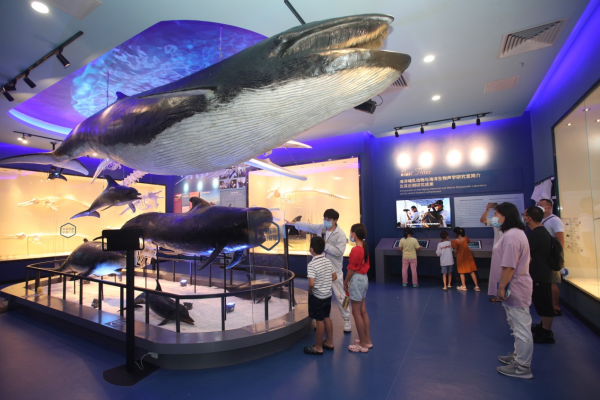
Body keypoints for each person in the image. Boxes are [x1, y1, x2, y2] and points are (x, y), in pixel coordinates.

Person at [288, 209, 352, 332]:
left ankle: (347, 319)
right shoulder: (321, 228)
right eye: (325, 219)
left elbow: (339, 252)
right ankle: (321, 320)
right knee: (320, 297)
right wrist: (294, 224)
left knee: (341, 296)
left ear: (335, 220)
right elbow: (309, 226)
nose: (326, 221)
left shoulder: (340, 234)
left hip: (334, 271)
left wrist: (325, 245)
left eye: (329, 220)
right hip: (320, 271)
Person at [491, 202, 534, 379]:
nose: (494, 218)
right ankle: (518, 356)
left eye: (496, 214)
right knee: (516, 325)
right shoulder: (514, 234)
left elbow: (509, 265)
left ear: (505, 216)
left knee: (521, 328)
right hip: (515, 286)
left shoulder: (512, 236)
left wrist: (502, 287)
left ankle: (523, 367)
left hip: (514, 287)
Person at [523, 206, 555, 344]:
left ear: (529, 218)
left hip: (540, 274)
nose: (523, 217)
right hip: (541, 272)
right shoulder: (540, 232)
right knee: (541, 302)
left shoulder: (537, 234)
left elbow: (525, 252)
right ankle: (543, 327)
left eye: (524, 215)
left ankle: (546, 333)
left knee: (544, 303)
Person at [304, 236, 337, 355]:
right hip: (328, 295)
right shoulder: (327, 261)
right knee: (327, 317)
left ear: (311, 249)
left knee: (319, 321)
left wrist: (309, 290)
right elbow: (334, 276)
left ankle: (318, 347)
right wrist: (325, 282)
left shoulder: (311, 264)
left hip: (317, 297)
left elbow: (311, 283)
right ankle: (329, 342)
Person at [344, 224, 372, 353]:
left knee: (356, 313)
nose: (350, 235)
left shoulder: (356, 250)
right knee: (363, 311)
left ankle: (362, 344)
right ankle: (367, 340)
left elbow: (351, 269)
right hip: (364, 279)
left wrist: (345, 282)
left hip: (356, 280)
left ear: (354, 234)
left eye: (351, 232)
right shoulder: (364, 248)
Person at [537, 198, 564, 316]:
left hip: (551, 256)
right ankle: (547, 305)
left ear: (549, 207)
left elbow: (560, 240)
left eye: (541, 205)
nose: (538, 206)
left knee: (552, 281)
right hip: (542, 256)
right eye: (538, 204)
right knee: (546, 282)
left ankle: (555, 306)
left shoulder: (555, 220)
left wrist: (558, 257)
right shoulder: (541, 220)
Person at [481, 202, 503, 302]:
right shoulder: (495, 222)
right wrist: (487, 210)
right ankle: (499, 294)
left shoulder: (512, 225)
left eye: (496, 213)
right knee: (498, 273)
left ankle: (505, 294)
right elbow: (483, 220)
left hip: (505, 251)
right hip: (497, 251)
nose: (494, 215)